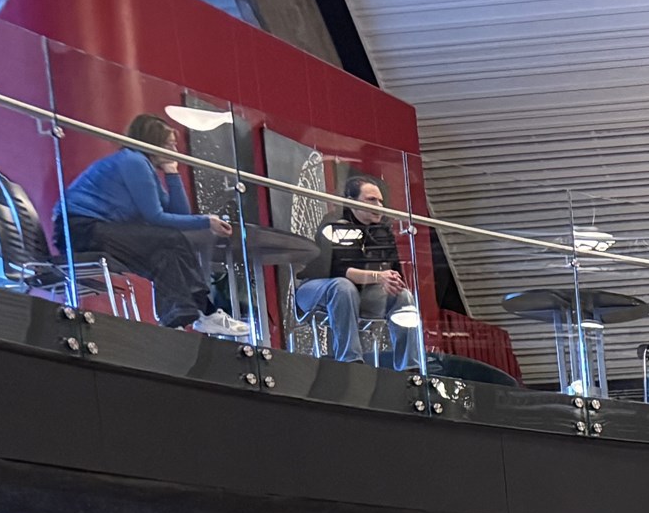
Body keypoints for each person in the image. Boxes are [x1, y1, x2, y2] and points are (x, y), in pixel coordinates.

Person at [55, 114, 248, 336]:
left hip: (99, 230)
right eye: (169, 145)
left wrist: (172, 173)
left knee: (164, 255)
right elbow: (156, 217)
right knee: (171, 240)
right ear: (153, 143)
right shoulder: (133, 161)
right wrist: (206, 221)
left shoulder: (143, 167)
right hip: (79, 230)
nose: (175, 150)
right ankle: (207, 313)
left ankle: (175, 324)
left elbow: (179, 214)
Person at [292, 174, 420, 369]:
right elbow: (338, 270)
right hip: (316, 289)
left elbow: (394, 271)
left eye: (380, 201)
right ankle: (350, 361)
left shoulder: (382, 233)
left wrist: (393, 280)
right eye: (371, 200)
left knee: (402, 296)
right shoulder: (334, 226)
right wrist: (378, 276)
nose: (379, 205)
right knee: (343, 286)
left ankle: (410, 368)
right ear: (352, 202)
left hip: (359, 294)